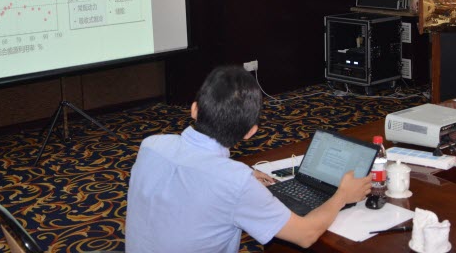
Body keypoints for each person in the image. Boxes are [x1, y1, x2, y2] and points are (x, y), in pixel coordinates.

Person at [125, 65, 372, 253]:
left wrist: (235, 171)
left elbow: (193, 169)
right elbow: (305, 235)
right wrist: (342, 196)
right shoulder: (235, 182)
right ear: (250, 132)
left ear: (194, 109)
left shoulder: (151, 145)